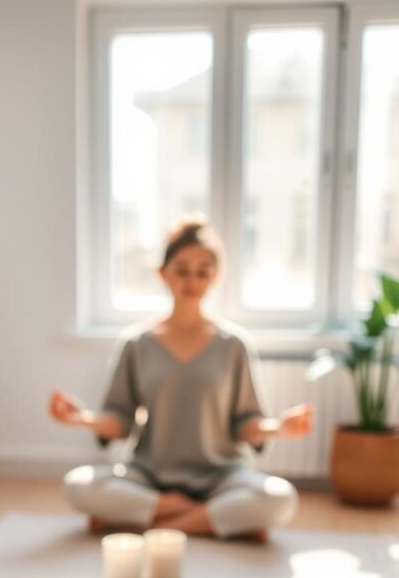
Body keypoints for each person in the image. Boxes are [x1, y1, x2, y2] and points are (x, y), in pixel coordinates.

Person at [48, 216, 313, 540]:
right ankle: (209, 519)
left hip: (221, 477)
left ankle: (150, 524)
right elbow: (120, 420)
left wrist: (279, 428)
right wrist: (82, 419)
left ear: (215, 278)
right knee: (79, 486)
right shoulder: (137, 343)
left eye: (203, 272)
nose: (192, 280)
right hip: (149, 475)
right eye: (182, 270)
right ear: (163, 274)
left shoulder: (234, 345)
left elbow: (247, 422)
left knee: (279, 498)